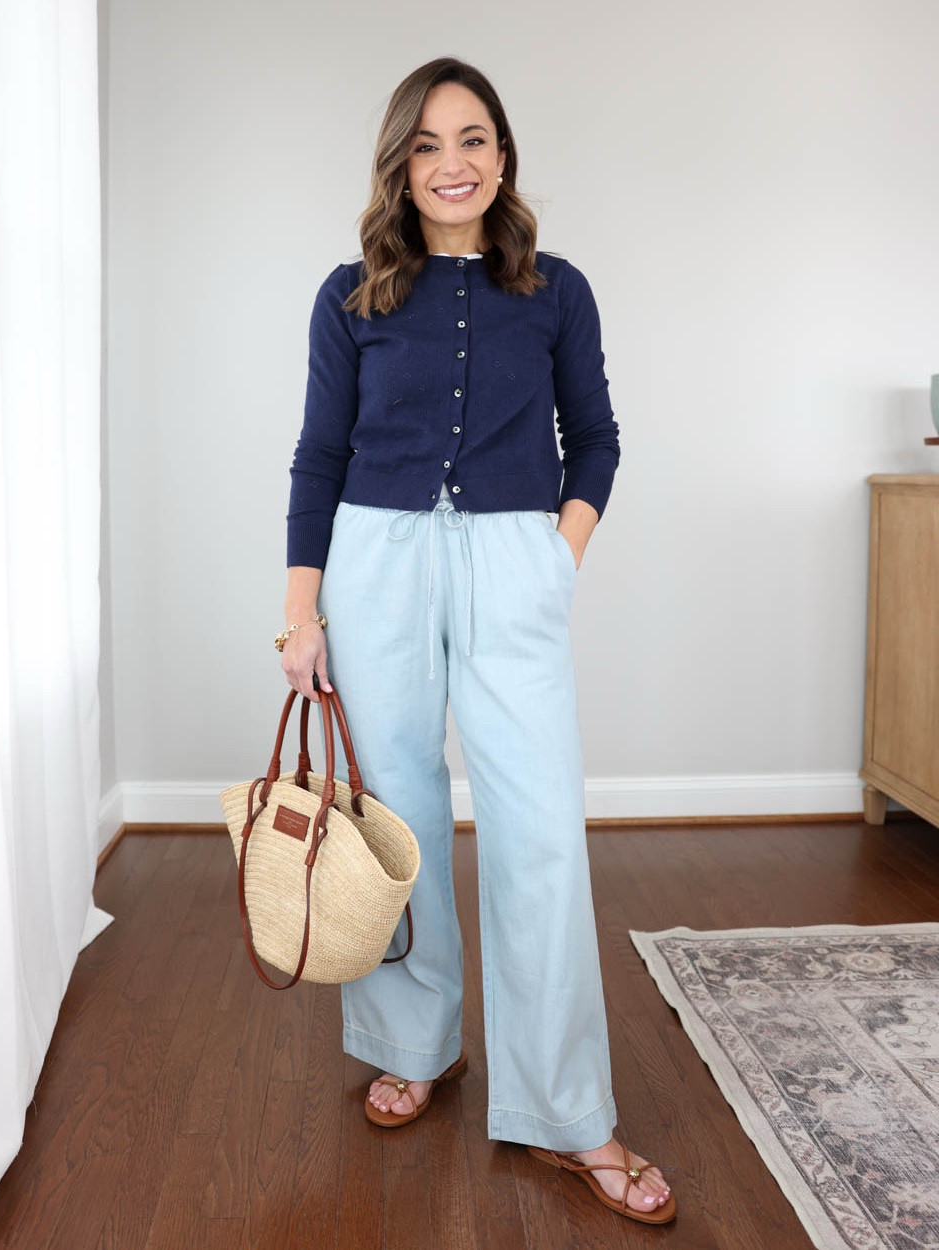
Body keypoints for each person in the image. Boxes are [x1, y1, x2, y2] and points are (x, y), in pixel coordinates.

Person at [280, 57, 675, 1226]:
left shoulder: (555, 290)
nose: (451, 163)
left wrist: (558, 553)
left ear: (501, 156)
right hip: (377, 559)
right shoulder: (351, 295)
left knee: (538, 831)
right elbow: (318, 459)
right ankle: (417, 1042)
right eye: (426, 145)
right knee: (395, 815)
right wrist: (303, 614)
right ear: (400, 167)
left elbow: (595, 437)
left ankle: (568, 1112)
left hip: (513, 559)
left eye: (472, 139)